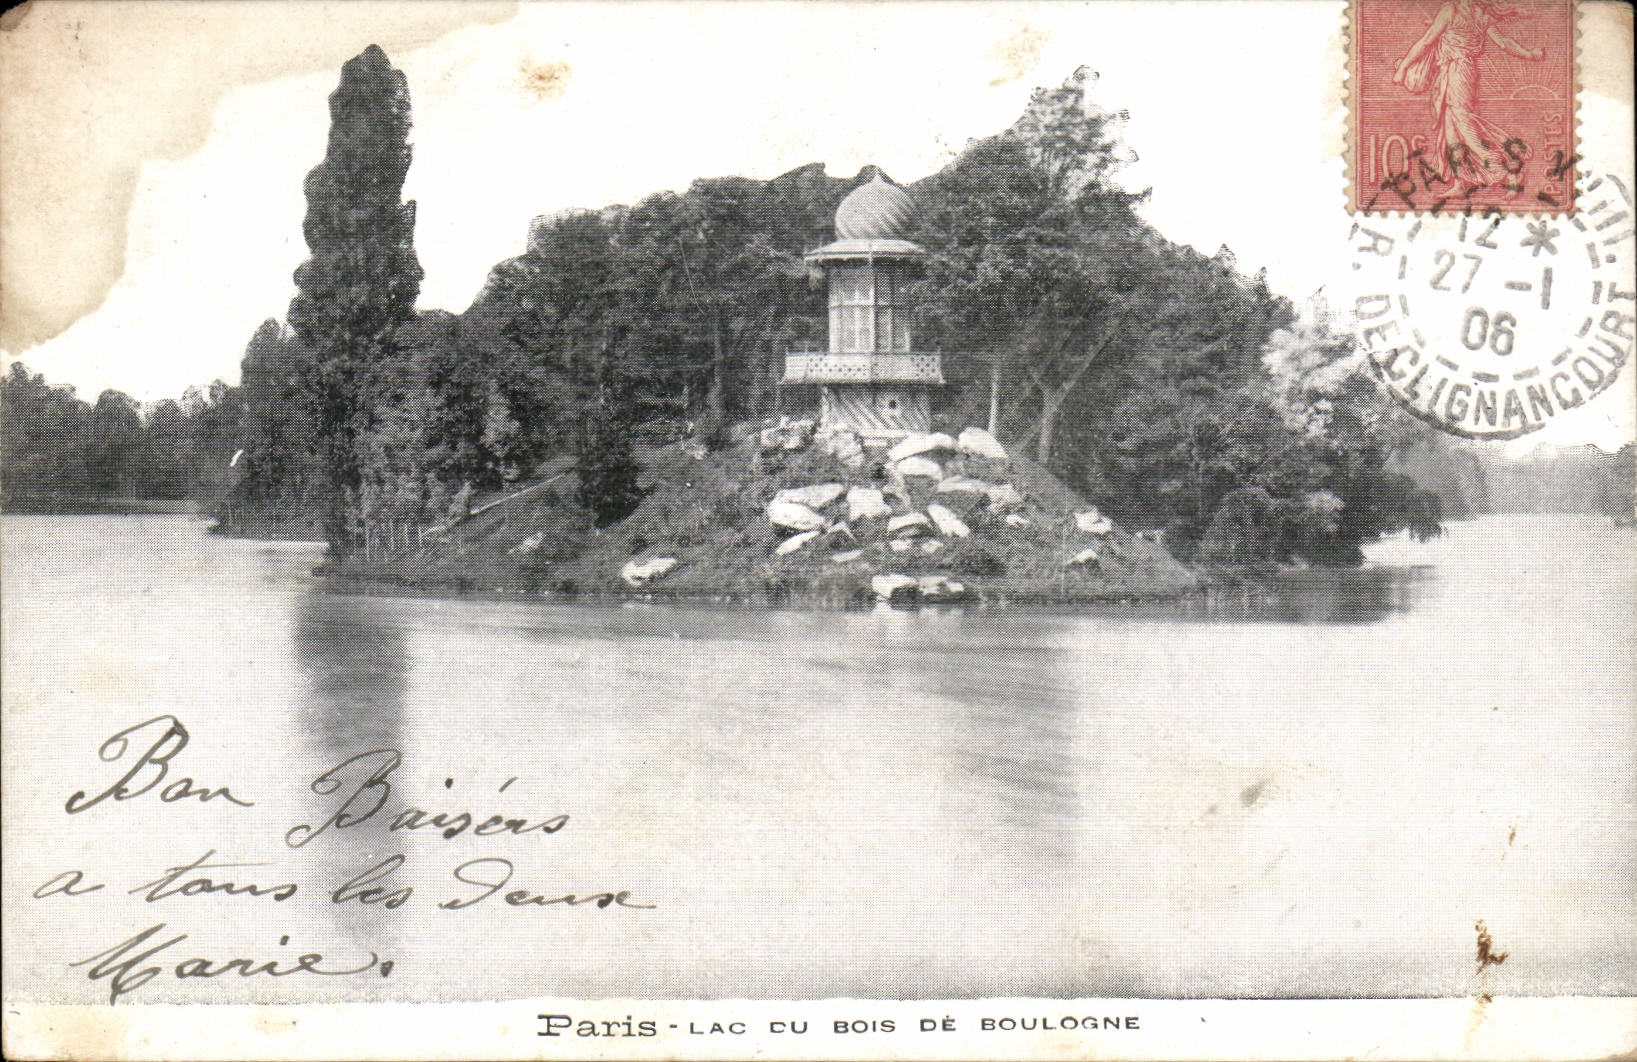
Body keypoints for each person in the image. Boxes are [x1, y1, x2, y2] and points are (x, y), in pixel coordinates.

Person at [1392, 0, 1545, 196]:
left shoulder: (1451, 11)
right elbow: (1504, 43)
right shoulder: (1480, 16)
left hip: (1458, 73)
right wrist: (1529, 54)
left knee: (1466, 128)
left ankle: (1511, 171)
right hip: (1458, 72)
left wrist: (1403, 67)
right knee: (1451, 132)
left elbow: (1427, 41)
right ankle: (1461, 182)